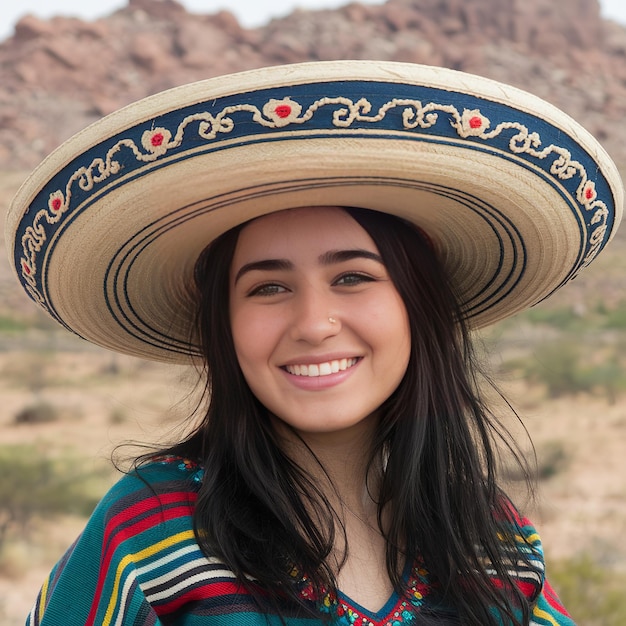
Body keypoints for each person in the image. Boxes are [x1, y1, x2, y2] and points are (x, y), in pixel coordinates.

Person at [7, 61, 623, 626]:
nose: (312, 322)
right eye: (268, 287)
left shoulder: (493, 539)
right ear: (223, 324)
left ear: (417, 304)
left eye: (352, 277)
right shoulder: (151, 530)